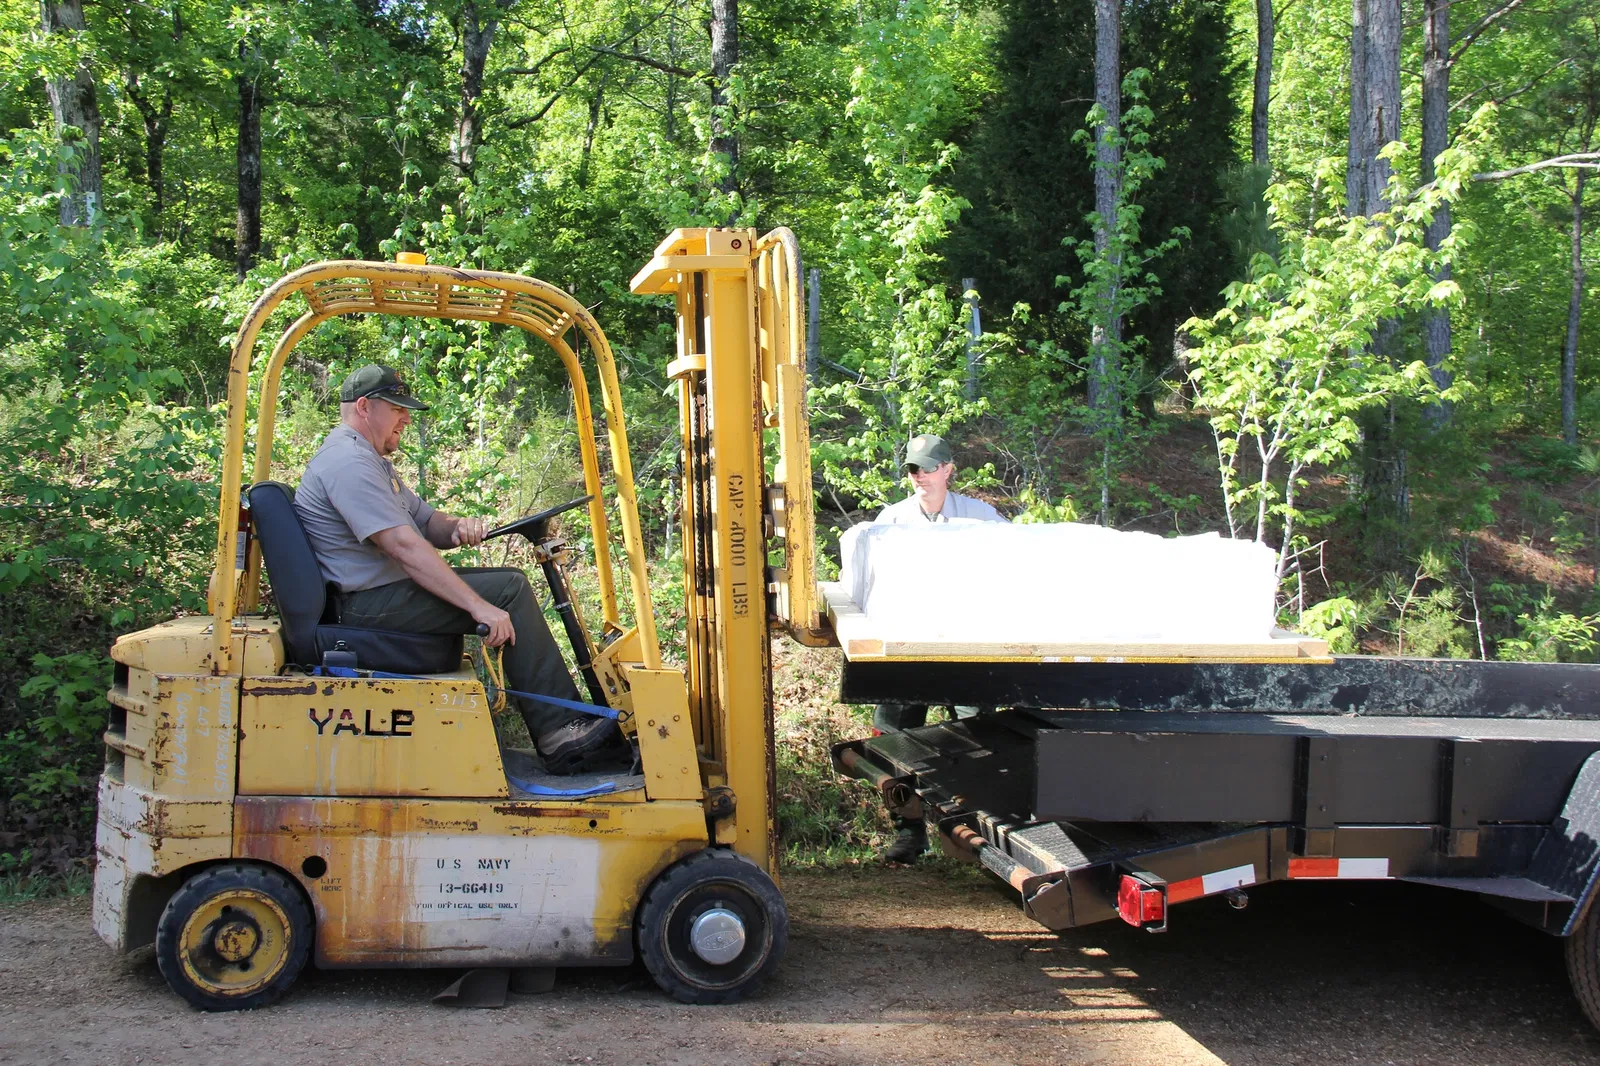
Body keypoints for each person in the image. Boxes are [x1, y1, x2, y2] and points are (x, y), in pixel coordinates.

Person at [294, 364, 618, 774]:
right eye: (397, 409)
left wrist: (458, 527)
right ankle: (559, 733)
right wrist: (479, 607)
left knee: (510, 583)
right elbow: (403, 546)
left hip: (381, 595)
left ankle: (563, 724)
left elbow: (426, 523)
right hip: (366, 605)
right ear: (363, 406)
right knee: (507, 592)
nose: (406, 418)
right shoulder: (347, 463)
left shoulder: (371, 462)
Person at [871, 432, 1007, 862]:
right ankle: (909, 833)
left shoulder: (983, 518)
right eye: (913, 469)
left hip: (966, 648)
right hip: (908, 650)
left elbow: (1015, 570)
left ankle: (972, 838)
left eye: (928, 468)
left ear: (948, 469)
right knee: (895, 741)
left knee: (976, 741)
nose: (919, 476)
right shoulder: (889, 521)